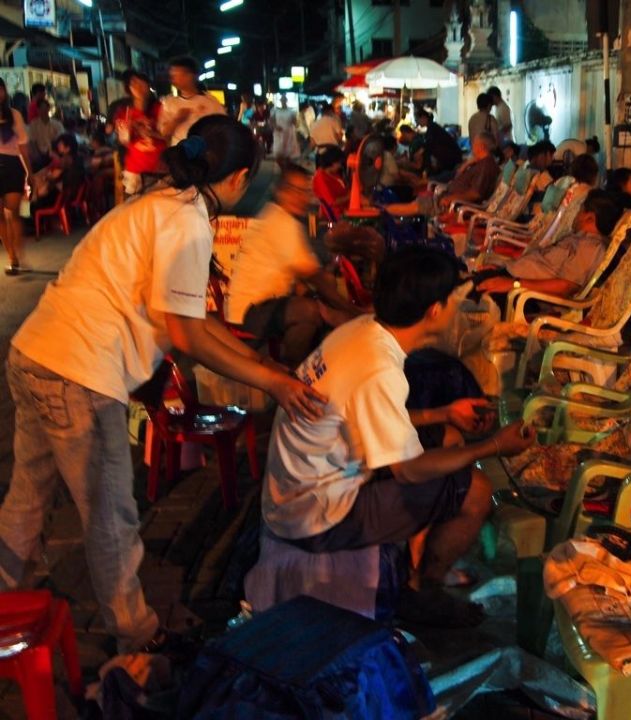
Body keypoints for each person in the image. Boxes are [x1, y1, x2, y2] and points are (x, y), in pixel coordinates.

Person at [0, 116, 324, 655]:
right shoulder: (188, 220)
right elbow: (186, 335)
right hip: (79, 371)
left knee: (28, 495)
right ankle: (136, 634)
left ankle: (9, 598)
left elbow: (195, 321)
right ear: (240, 177)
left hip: (36, 353)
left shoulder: (161, 202)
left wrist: (261, 368)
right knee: (110, 515)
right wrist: (271, 379)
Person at [259, 246, 534, 625]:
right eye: (455, 301)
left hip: (302, 484)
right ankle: (423, 593)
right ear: (435, 311)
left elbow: (371, 416)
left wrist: (443, 413)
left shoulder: (364, 329)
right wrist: (494, 445)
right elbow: (409, 470)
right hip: (317, 514)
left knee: (449, 435)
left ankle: (418, 560)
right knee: (476, 490)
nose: (458, 309)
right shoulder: (378, 367)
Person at [227, 164, 360, 363]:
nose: (301, 197)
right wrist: (353, 311)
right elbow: (315, 276)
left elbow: (306, 274)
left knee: (316, 300)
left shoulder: (279, 216)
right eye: (293, 190)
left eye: (305, 191)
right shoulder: (281, 222)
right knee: (309, 311)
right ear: (280, 191)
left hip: (261, 306)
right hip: (248, 313)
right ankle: (292, 371)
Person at [474, 189, 623, 299]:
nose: (576, 215)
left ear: (590, 218)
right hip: (513, 281)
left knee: (460, 296)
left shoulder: (591, 247)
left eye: (580, 211)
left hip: (524, 295)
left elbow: (565, 287)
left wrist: (513, 284)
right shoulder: (577, 239)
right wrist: (503, 268)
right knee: (462, 286)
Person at [387, 133, 499, 217]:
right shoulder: (479, 162)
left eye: (474, 143)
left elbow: (475, 194)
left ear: (481, 146)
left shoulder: (486, 166)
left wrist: (451, 198)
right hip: (447, 197)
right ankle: (384, 211)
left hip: (453, 205)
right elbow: (458, 175)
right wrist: (467, 164)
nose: (472, 145)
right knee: (415, 202)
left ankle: (381, 211)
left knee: (413, 207)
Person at [0, 77, 32, 275]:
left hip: (12, 165)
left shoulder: (14, 115)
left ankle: (17, 257)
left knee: (15, 213)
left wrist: (30, 172)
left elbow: (22, 146)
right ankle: (11, 256)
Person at [115, 69, 164, 195]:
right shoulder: (124, 112)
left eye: (142, 84)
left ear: (148, 86)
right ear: (129, 89)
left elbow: (169, 135)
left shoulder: (161, 108)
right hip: (135, 172)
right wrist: (126, 132)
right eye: (134, 84)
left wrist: (151, 133)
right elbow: (124, 141)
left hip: (161, 170)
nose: (138, 88)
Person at [158, 56, 226, 146]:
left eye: (179, 75)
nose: (174, 80)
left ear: (193, 75)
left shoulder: (211, 102)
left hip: (206, 154)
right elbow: (163, 133)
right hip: (180, 154)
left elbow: (224, 129)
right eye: (173, 76)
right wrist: (176, 120)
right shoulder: (168, 103)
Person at [415, 108, 462, 181]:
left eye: (417, 120)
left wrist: (419, 152)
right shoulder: (432, 126)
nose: (417, 122)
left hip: (451, 158)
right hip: (451, 157)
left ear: (423, 118)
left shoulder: (432, 127)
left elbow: (429, 143)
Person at [26, 98, 64, 169]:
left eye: (45, 108)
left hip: (55, 153)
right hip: (40, 155)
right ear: (38, 110)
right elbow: (32, 142)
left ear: (48, 109)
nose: (43, 111)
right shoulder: (34, 125)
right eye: (41, 109)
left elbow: (62, 139)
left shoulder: (57, 124)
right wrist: (36, 155)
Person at [312, 146, 349, 218]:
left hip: (346, 207)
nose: (340, 166)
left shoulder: (333, 174)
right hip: (337, 213)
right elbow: (332, 202)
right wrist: (350, 196)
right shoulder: (320, 177)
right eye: (340, 163)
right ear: (333, 162)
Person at [272, 96, 299, 161]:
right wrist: (275, 126)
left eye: (284, 100)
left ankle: (287, 167)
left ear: (286, 101)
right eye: (282, 100)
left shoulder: (291, 111)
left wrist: (294, 121)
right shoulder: (275, 111)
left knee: (288, 152)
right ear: (280, 101)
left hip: (288, 133)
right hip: (279, 133)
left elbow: (295, 123)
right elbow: (271, 121)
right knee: (278, 152)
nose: (283, 101)